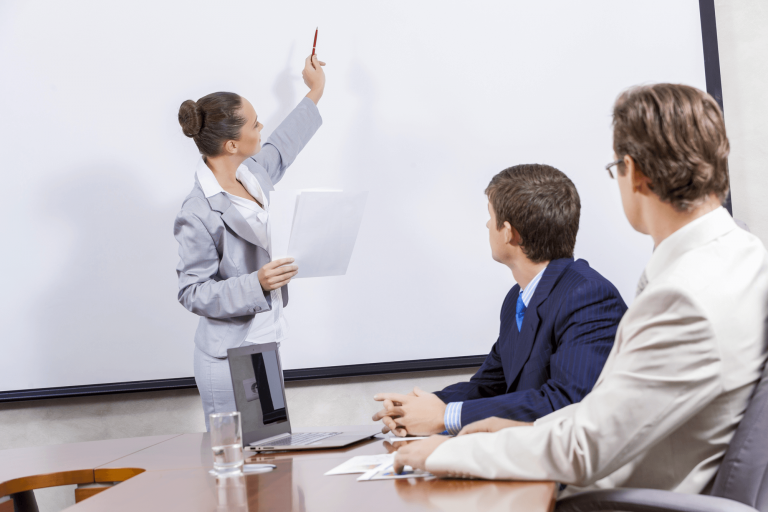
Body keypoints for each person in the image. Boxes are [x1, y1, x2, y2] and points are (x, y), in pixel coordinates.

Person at [393, 84, 768, 497]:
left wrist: (445, 453)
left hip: (624, 502)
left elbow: (587, 448)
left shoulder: (683, 297)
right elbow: (611, 414)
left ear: (635, 173)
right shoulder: (743, 255)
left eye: (615, 169)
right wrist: (522, 429)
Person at [372, 164, 627, 437]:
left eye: (490, 216)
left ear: (508, 232)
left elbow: (566, 401)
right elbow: (490, 385)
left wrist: (445, 416)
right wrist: (419, 407)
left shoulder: (588, 296)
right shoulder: (517, 299)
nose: (486, 225)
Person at [174, 55, 326, 430]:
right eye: (255, 124)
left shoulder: (253, 174)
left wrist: (316, 90)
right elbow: (192, 292)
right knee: (238, 467)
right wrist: (256, 283)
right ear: (230, 145)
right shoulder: (197, 211)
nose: (262, 128)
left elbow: (285, 143)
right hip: (227, 360)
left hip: (266, 347)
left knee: (275, 456)